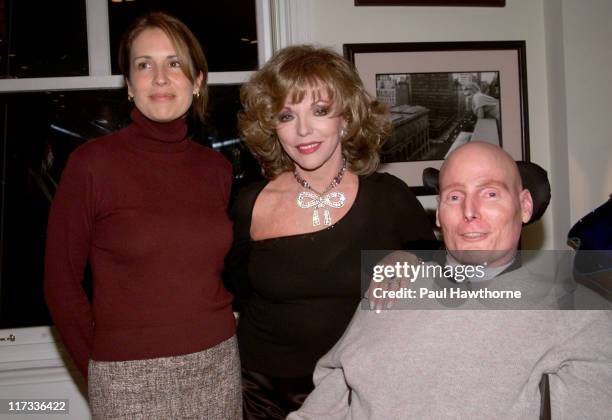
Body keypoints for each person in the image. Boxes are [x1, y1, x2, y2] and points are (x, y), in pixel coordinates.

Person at [289, 142, 612, 419]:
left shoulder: (576, 312)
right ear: (440, 215)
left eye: (490, 193)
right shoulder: (392, 287)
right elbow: (326, 400)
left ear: (524, 206)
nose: (470, 211)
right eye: (455, 197)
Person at [44, 12, 241, 419]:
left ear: (198, 80)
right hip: (127, 381)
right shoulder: (91, 165)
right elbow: (60, 282)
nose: (161, 78)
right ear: (130, 86)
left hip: (218, 369)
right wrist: (101, 369)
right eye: (144, 65)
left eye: (174, 63)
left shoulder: (216, 170)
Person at [224, 44, 435, 418]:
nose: (303, 130)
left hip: (363, 390)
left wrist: (408, 258)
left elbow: (440, 269)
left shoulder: (389, 198)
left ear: (347, 118)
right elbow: (235, 289)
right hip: (265, 393)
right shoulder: (249, 203)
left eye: (319, 111)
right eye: (287, 115)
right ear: (271, 125)